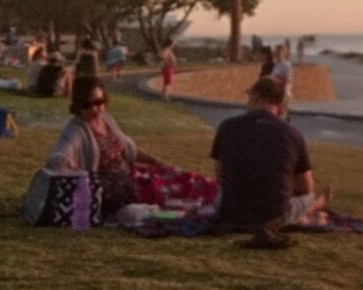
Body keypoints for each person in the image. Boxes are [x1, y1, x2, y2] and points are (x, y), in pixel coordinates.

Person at [29, 78, 174, 212]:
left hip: (130, 177)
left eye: (98, 102)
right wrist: (68, 170)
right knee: (163, 195)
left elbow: (130, 149)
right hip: (110, 191)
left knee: (172, 180)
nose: (94, 109)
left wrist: (157, 162)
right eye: (87, 105)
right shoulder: (77, 129)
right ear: (78, 105)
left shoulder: (106, 119)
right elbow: (60, 154)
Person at [209, 76, 316, 246]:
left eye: (249, 97)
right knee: (309, 198)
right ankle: (306, 214)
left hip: (232, 212)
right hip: (275, 214)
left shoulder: (227, 127)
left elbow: (220, 177)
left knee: (218, 197)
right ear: (279, 105)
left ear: (256, 97)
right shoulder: (293, 134)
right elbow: (306, 188)